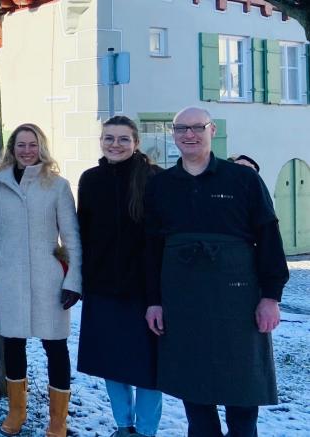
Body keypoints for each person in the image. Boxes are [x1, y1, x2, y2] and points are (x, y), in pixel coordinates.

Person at [144, 107, 289, 437]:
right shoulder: (161, 186)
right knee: (196, 403)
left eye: (197, 128)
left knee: (242, 400)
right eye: (181, 129)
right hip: (183, 302)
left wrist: (271, 296)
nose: (189, 135)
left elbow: (269, 237)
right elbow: (151, 248)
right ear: (173, 134)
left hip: (237, 299)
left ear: (212, 131)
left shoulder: (243, 179)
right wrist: (154, 301)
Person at [0, 123, 82, 437]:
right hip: (8, 276)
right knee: (13, 344)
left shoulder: (57, 185)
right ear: (12, 149)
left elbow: (71, 237)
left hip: (49, 279)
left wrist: (73, 279)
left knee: (56, 347)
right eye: (20, 145)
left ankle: (58, 419)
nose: (26, 151)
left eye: (32, 145)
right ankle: (16, 411)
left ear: (41, 147)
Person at [76, 116, 163, 437]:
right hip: (102, 287)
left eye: (123, 139)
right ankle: (123, 425)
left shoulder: (155, 178)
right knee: (111, 363)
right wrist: (81, 277)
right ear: (101, 141)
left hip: (144, 289)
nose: (115, 144)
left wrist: (158, 293)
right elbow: (81, 231)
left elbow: (161, 237)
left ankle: (146, 430)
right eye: (109, 138)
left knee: (147, 368)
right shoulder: (90, 179)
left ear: (136, 142)